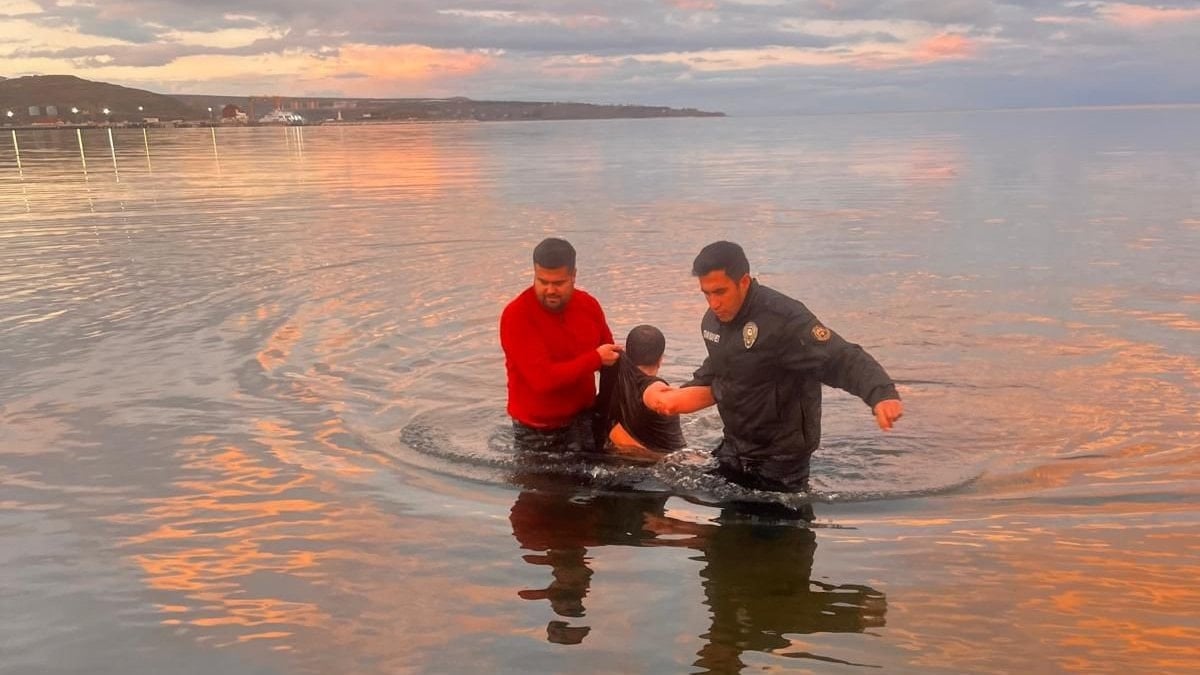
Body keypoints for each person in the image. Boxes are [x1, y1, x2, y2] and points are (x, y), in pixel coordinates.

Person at [686, 241, 903, 492]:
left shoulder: (784, 320)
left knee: (775, 528)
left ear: (743, 281)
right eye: (706, 293)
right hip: (735, 447)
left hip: (781, 460)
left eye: (720, 292)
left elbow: (840, 357)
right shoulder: (713, 322)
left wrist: (881, 393)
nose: (713, 304)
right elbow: (718, 366)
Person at [500, 237, 622, 453]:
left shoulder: (588, 305)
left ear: (573, 276)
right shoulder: (517, 315)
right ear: (534, 274)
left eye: (558, 283)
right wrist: (595, 359)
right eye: (542, 281)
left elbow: (610, 359)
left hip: (584, 419)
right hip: (536, 432)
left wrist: (606, 414)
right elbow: (542, 380)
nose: (550, 290)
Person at [607, 324, 714, 458]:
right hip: (666, 466)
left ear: (628, 353)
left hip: (623, 458)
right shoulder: (650, 386)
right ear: (661, 359)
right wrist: (724, 391)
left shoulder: (615, 371)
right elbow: (664, 402)